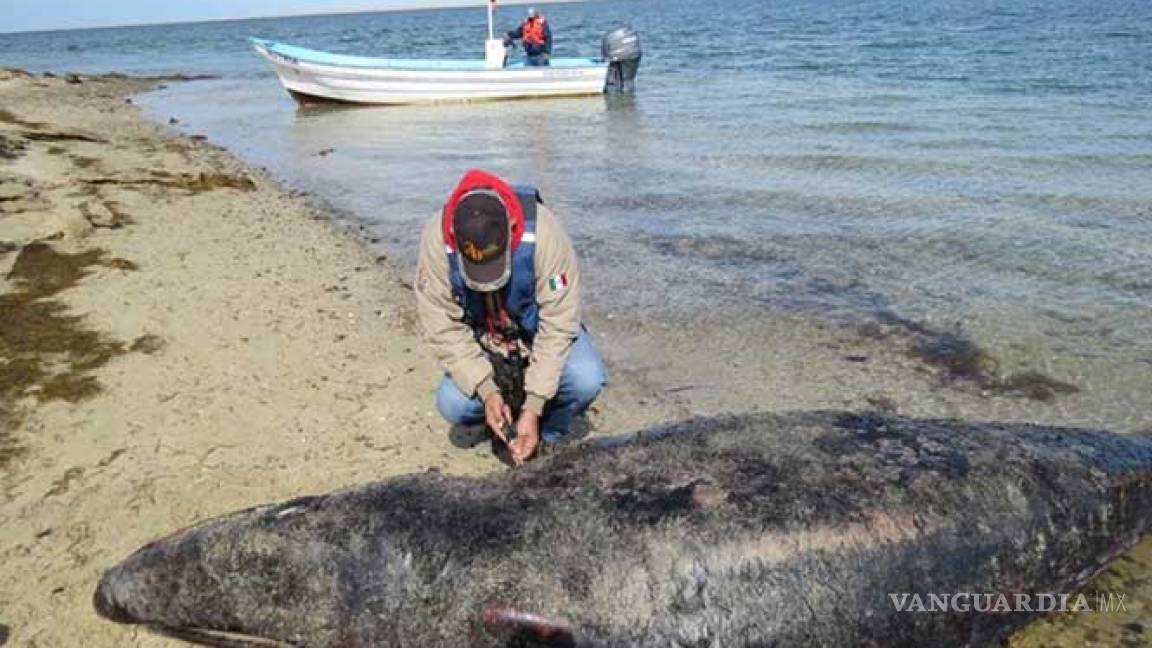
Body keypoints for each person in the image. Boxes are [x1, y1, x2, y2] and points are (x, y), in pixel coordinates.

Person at [416, 169, 606, 464]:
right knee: (453, 405)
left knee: (585, 378)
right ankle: (499, 413)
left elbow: (558, 324)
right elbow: (443, 327)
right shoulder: (436, 240)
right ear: (455, 237)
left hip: (538, 334)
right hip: (487, 341)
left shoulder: (544, 233)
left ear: (513, 225)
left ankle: (548, 434)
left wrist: (534, 406)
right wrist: (487, 390)